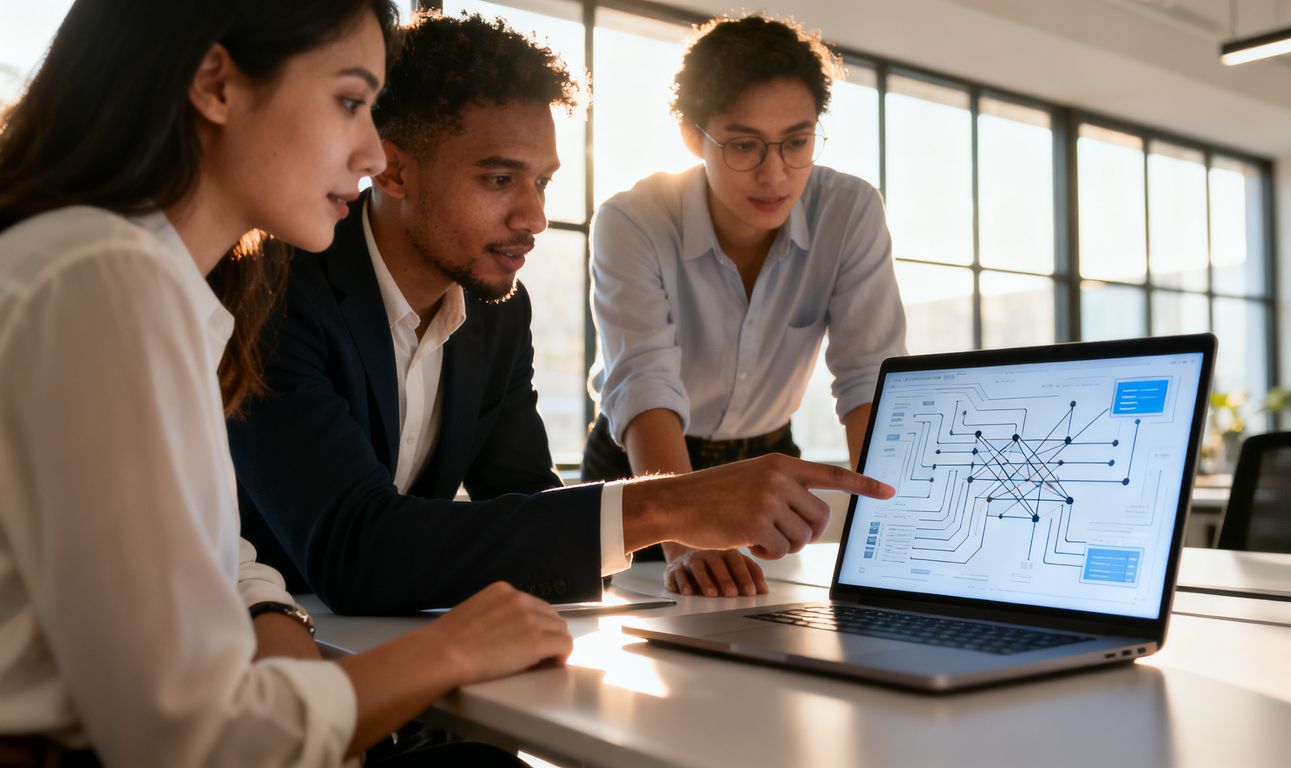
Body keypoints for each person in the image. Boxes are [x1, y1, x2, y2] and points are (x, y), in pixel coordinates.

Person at [0, 2, 572, 765]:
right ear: (216, 85)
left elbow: (196, 543)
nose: (372, 153)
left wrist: (269, 609)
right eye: (350, 102)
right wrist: (454, 649)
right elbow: (192, 740)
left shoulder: (129, 273)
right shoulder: (103, 278)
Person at [226, 12, 896, 616]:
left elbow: (523, 497)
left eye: (542, 182)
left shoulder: (495, 308)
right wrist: (670, 506)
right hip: (264, 630)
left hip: (386, 632)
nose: (536, 218)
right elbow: (352, 551)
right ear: (394, 172)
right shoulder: (273, 291)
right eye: (499, 179)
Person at [583, 15, 909, 599]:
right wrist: (682, 533)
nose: (774, 174)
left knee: (771, 623)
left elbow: (869, 378)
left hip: (766, 459)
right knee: (631, 626)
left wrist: (892, 537)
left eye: (796, 142)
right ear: (693, 136)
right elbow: (643, 384)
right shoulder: (632, 220)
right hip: (644, 464)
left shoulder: (849, 210)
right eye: (742, 145)